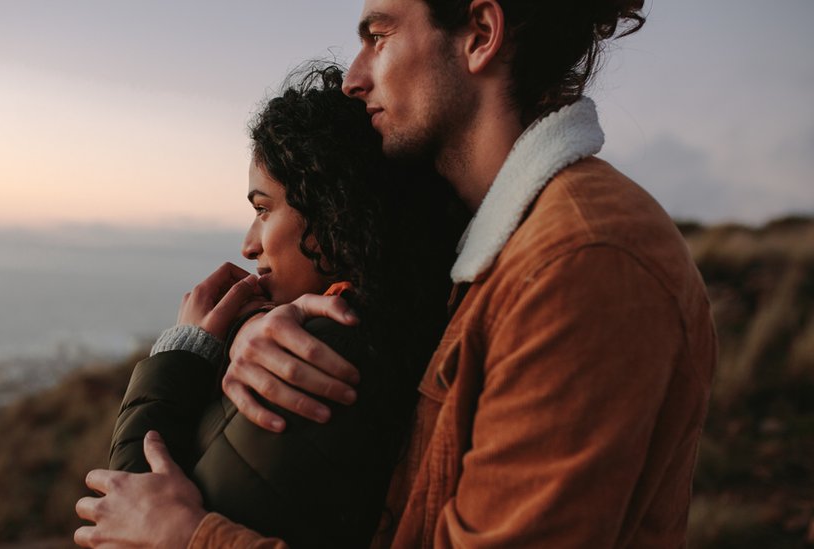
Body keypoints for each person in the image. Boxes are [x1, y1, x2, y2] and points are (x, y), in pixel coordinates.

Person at [76, 0, 718, 547]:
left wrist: (191, 538)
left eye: (379, 35)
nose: (355, 77)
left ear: (480, 36)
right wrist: (260, 327)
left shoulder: (581, 263)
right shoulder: (492, 251)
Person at [78, 65, 466, 548]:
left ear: (333, 211)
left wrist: (183, 352)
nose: (248, 244)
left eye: (263, 209)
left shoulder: (321, 351)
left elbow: (127, 515)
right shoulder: (390, 324)